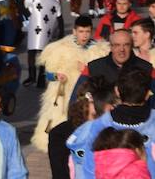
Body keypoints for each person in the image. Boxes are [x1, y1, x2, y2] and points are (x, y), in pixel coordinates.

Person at [32, 17, 108, 152]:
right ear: (74, 31)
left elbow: (102, 77)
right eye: (81, 31)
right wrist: (57, 76)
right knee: (59, 124)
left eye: (87, 31)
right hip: (62, 96)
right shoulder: (60, 49)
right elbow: (49, 74)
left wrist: (86, 69)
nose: (84, 35)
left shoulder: (100, 51)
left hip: (86, 96)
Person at [72, 28, 155, 105]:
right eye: (117, 45)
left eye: (126, 45)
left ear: (132, 46)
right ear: (111, 47)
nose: (122, 49)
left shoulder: (147, 69)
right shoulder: (93, 68)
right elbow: (76, 102)